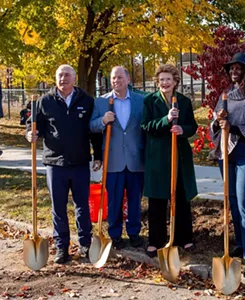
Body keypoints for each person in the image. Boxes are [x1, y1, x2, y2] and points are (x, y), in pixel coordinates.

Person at [26, 64, 102, 264]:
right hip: (54, 163)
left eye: (67, 75)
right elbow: (34, 125)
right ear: (55, 78)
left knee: (82, 206)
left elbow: (94, 131)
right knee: (58, 206)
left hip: (79, 162)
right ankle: (62, 247)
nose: (63, 79)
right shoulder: (44, 101)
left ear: (74, 78)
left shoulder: (86, 101)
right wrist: (31, 134)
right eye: (60, 75)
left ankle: (85, 244)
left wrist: (98, 155)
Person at [210, 53, 245, 278]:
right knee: (232, 200)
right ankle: (241, 242)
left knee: (244, 201)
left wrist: (233, 127)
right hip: (227, 153)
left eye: (238, 68)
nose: (233, 72)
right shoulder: (225, 95)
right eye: (231, 69)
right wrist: (219, 121)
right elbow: (215, 124)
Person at [141, 64, 198, 258]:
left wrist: (183, 130)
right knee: (157, 200)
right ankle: (155, 241)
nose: (165, 83)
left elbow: (192, 126)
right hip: (158, 157)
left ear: (175, 82)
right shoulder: (150, 100)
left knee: (181, 197)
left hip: (179, 156)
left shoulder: (184, 101)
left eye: (168, 79)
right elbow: (146, 125)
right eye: (161, 80)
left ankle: (184, 237)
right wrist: (166, 120)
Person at [90, 66, 145, 249]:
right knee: (114, 199)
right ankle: (115, 234)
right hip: (113, 160)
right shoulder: (101, 102)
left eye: (120, 77)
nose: (116, 81)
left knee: (135, 199)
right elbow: (91, 127)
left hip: (135, 159)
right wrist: (103, 121)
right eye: (113, 78)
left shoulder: (140, 101)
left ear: (128, 79)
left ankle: (134, 232)